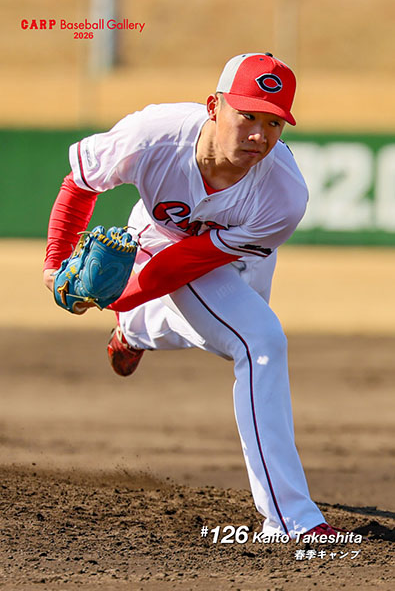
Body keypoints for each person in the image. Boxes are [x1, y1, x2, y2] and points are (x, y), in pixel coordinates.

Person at [44, 53, 344, 539]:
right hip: (158, 235)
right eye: (247, 115)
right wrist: (54, 264)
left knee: (222, 337)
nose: (258, 135)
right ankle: (292, 520)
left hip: (227, 253)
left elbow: (188, 264)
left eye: (273, 123)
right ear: (213, 107)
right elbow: (80, 183)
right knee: (260, 343)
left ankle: (136, 330)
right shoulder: (154, 135)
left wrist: (120, 301)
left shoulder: (284, 195)